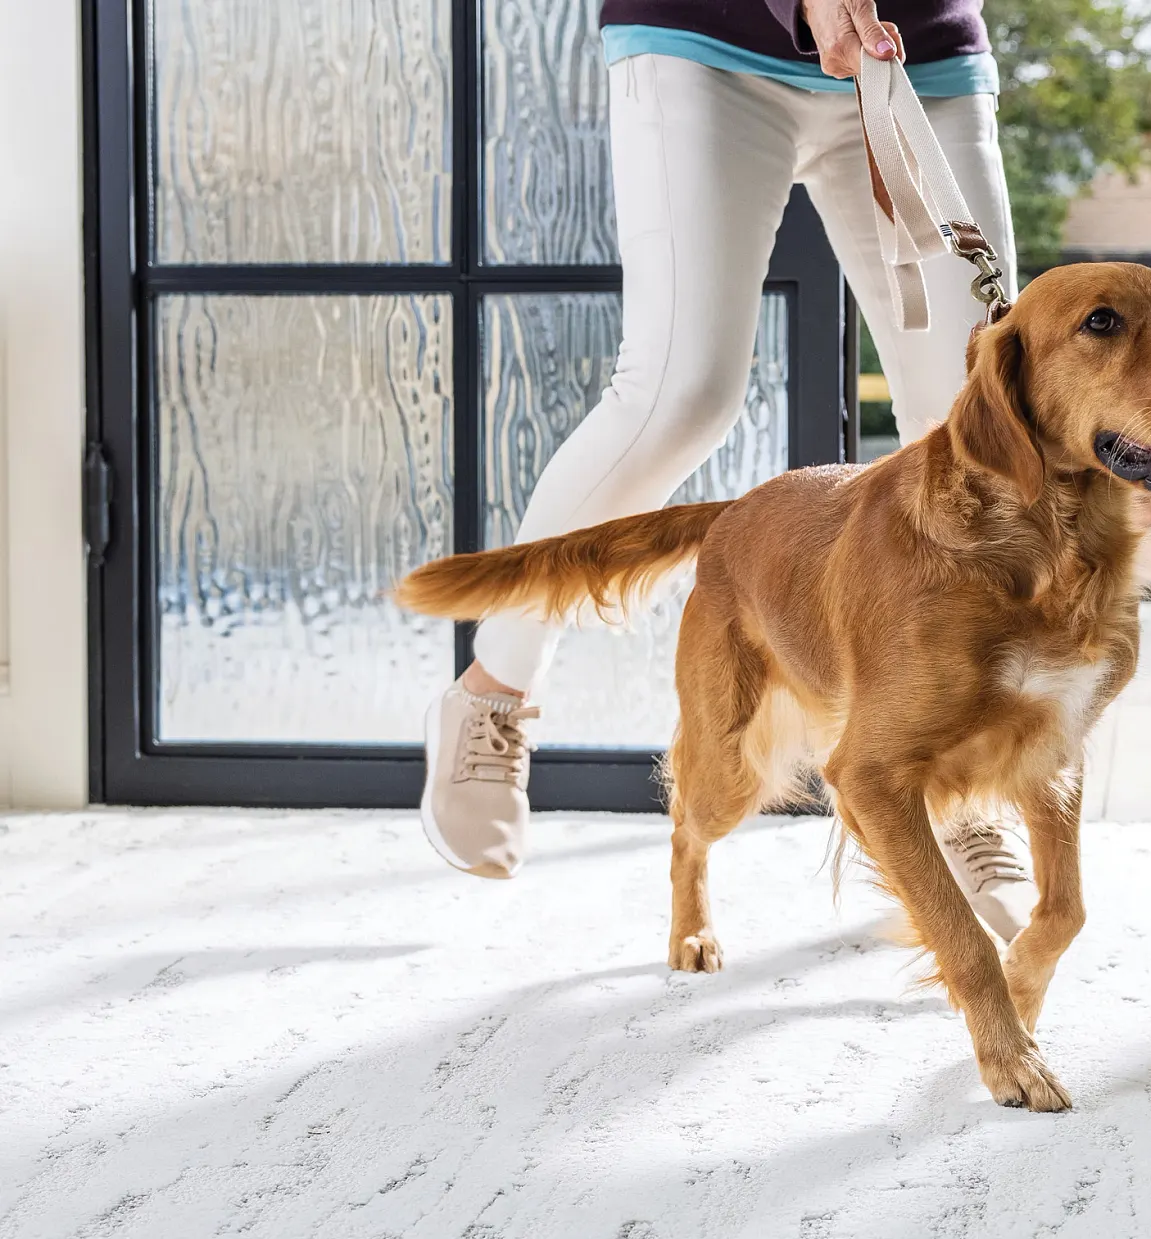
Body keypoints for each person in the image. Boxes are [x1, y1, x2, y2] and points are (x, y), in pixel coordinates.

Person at [420, 0, 1035, 937]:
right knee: (682, 390)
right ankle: (494, 693)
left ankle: (964, 788)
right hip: (703, 36)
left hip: (915, 48)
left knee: (978, 420)